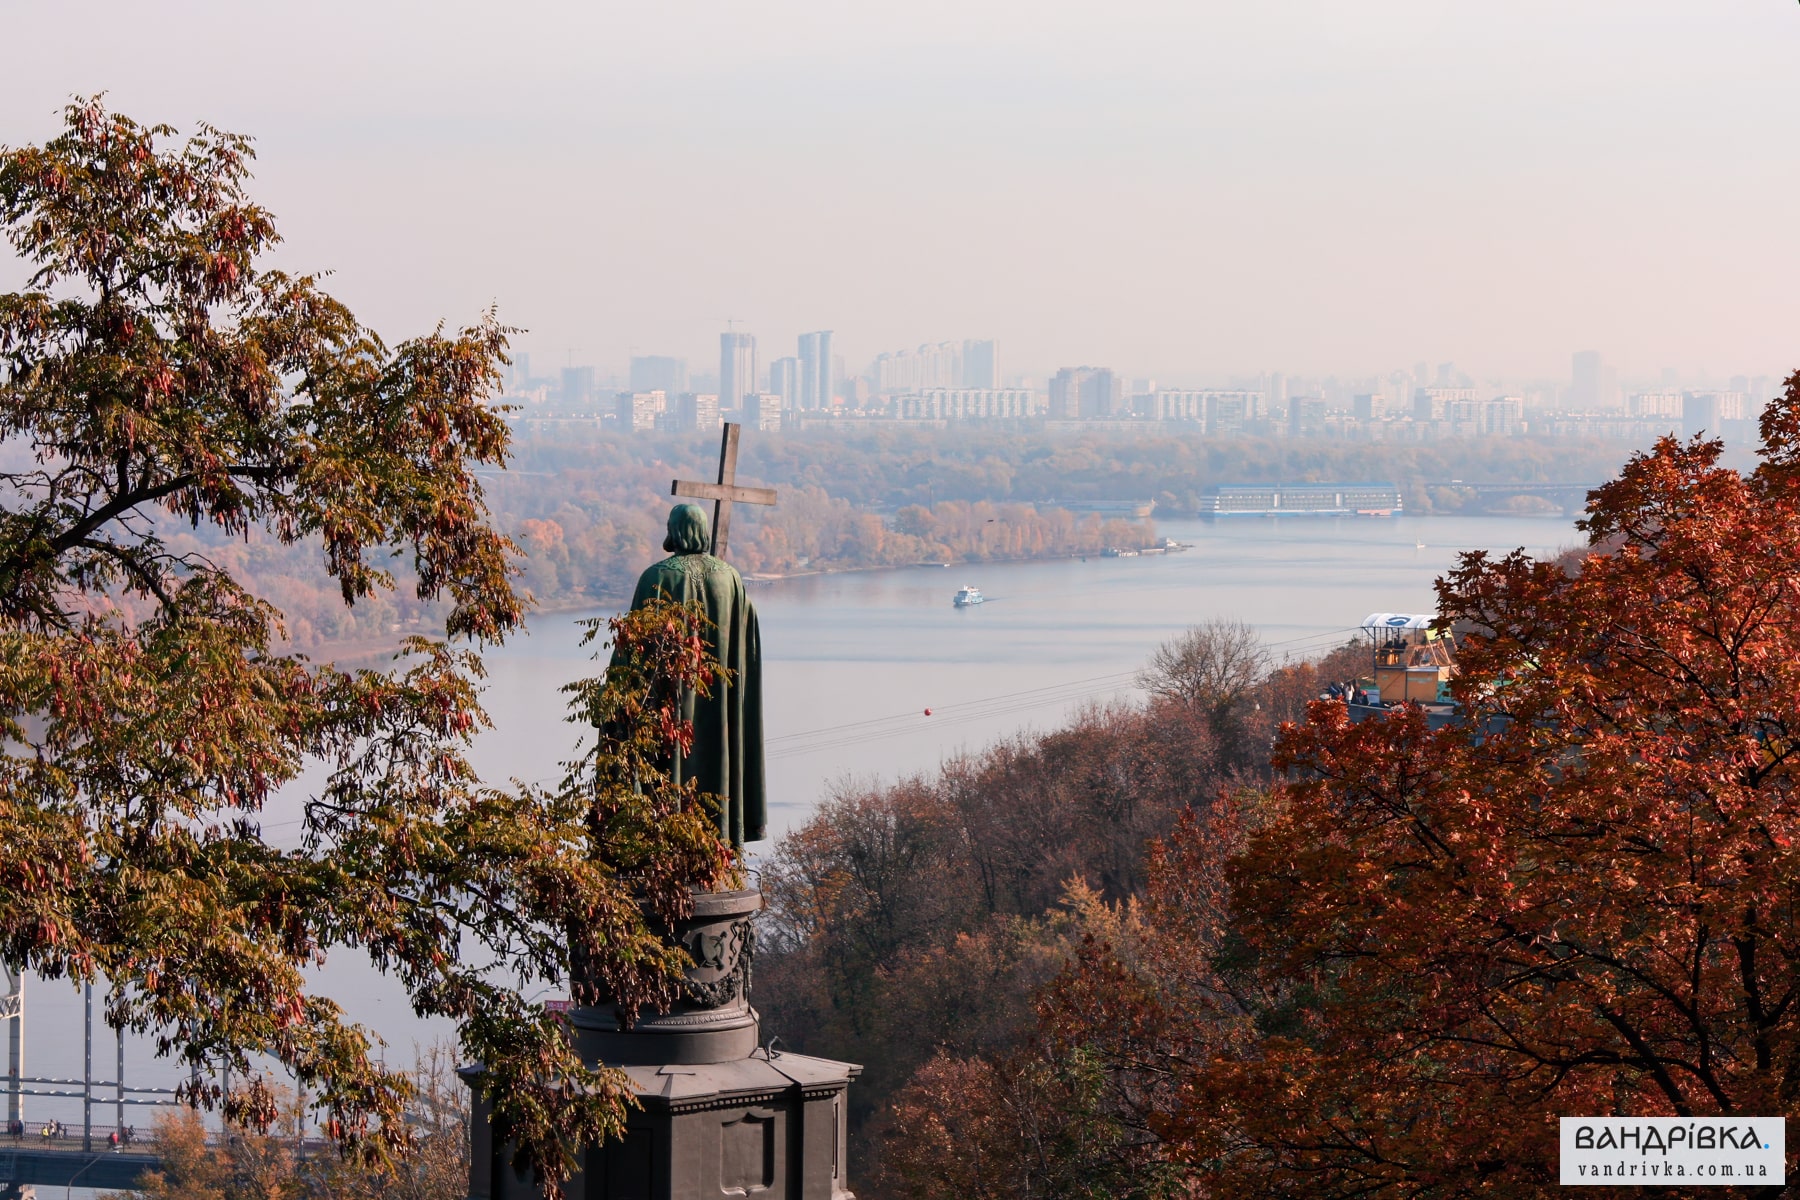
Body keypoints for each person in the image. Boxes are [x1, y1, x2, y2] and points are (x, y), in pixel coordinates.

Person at [615, 503, 767, 849]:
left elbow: (633, 649)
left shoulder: (657, 577)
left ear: (674, 530)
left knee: (667, 767)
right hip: (721, 708)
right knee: (718, 763)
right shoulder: (729, 578)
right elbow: (747, 639)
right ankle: (720, 843)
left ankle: (667, 843)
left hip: (671, 706)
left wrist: (616, 699)